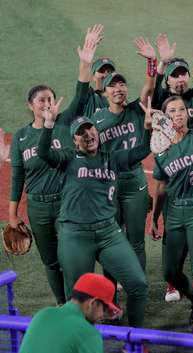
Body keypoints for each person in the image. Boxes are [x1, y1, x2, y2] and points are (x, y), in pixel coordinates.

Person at [37, 99, 152, 327]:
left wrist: (147, 130)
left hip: (109, 233)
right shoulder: (68, 158)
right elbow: (43, 153)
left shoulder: (112, 158)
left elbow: (141, 151)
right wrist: (49, 125)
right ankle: (81, 342)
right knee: (79, 300)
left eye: (90, 128)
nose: (88, 134)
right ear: (74, 140)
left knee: (138, 285)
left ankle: (136, 343)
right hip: (75, 236)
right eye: (81, 133)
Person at [8, 26, 100, 305]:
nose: (46, 103)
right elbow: (17, 177)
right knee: (50, 262)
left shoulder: (65, 122)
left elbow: (82, 93)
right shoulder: (22, 137)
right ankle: (62, 304)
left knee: (73, 256)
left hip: (67, 202)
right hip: (37, 206)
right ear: (30, 105)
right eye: (41, 100)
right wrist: (12, 215)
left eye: (50, 99)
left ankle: (80, 302)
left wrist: (85, 61)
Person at [150, 65, 193, 323]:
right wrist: (156, 216)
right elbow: (160, 187)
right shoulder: (162, 149)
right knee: (170, 272)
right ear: (165, 117)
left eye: (181, 109)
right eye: (172, 111)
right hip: (174, 212)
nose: (178, 114)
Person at [90, 36, 157, 273]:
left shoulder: (136, 110)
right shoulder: (96, 120)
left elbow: (150, 87)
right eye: (113, 85)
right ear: (104, 91)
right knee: (112, 239)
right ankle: (112, 285)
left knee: (137, 241)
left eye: (121, 84)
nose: (118, 88)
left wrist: (151, 61)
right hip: (109, 184)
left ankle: (136, 285)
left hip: (135, 181)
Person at [19, 273, 119, 353]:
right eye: (105, 308)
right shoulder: (88, 333)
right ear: (94, 303)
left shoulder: (43, 314)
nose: (103, 315)